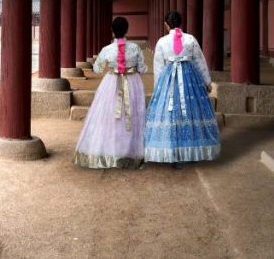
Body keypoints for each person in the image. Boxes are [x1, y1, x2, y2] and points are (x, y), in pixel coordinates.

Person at [143, 10, 220, 168]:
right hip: (189, 79)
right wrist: (207, 82)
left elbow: (158, 66)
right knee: (190, 113)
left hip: (168, 80)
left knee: (171, 114)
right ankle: (190, 149)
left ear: (166, 25)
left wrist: (159, 88)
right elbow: (199, 61)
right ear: (181, 23)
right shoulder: (190, 39)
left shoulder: (162, 42)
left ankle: (171, 150)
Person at [72, 16, 148, 169]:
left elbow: (97, 69)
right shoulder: (135, 48)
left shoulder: (107, 49)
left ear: (112, 31)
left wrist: (111, 65)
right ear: (127, 30)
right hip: (132, 82)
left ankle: (109, 150)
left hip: (112, 83)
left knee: (110, 115)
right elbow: (143, 69)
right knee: (132, 115)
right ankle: (132, 152)